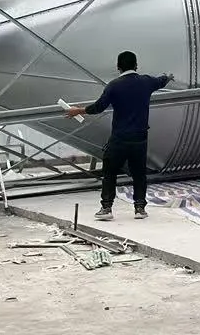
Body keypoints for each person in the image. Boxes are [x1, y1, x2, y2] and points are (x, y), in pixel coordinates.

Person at [64, 51, 173, 220]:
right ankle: (139, 208)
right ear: (136, 65)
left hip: (120, 138)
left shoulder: (114, 86)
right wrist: (168, 76)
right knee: (139, 173)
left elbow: (98, 107)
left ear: (118, 67)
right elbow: (161, 81)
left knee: (110, 171)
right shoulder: (146, 82)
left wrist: (78, 110)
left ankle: (106, 208)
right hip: (140, 137)